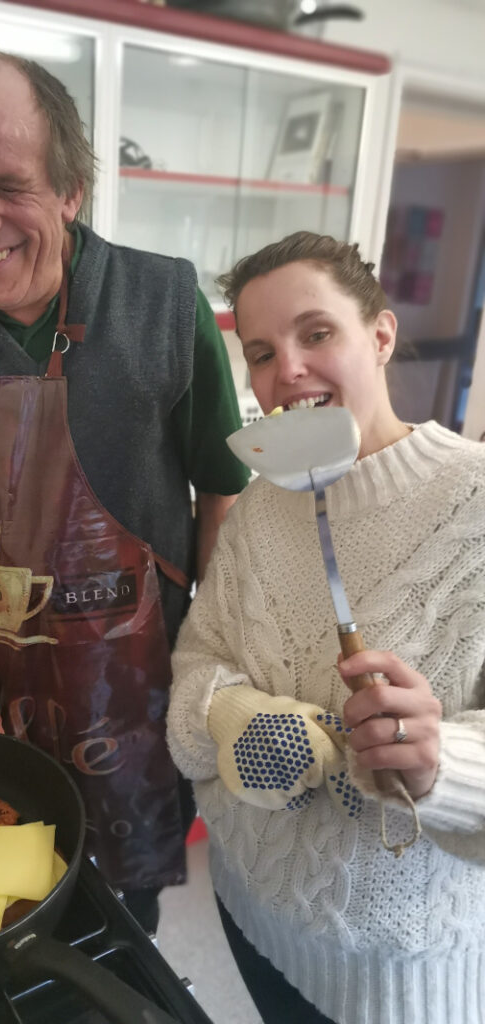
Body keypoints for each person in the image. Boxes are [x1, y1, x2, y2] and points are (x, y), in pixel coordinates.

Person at [0, 40, 249, 929]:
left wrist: (209, 648)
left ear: (71, 189)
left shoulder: (165, 303)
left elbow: (223, 490)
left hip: (138, 692)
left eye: (11, 186)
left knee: (118, 920)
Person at [167, 231, 485, 1024]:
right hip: (250, 914)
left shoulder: (474, 506)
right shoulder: (260, 508)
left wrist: (442, 761)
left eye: (317, 334)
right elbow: (198, 659)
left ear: (380, 336)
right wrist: (232, 713)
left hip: (393, 981)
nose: (288, 372)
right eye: (262, 351)